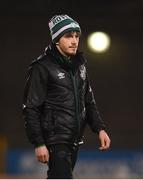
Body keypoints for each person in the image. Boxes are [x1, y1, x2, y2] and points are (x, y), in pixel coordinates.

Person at [23, 14, 111, 179]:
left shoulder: (80, 66)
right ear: (56, 39)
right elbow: (31, 108)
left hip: (74, 139)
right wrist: (39, 143)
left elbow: (88, 101)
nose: (74, 40)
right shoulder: (42, 67)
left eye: (77, 36)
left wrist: (100, 128)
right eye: (68, 36)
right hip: (55, 139)